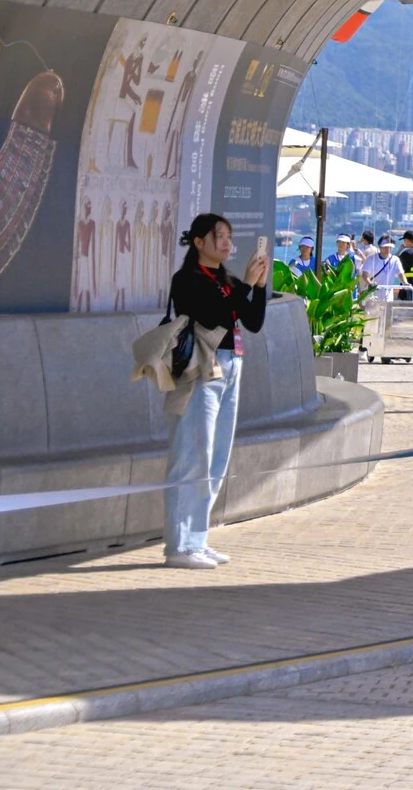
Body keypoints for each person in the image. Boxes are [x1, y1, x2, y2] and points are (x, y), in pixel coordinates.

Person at [161, 213, 272, 568]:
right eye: (218, 236)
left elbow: (251, 321)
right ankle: (179, 546)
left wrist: (258, 285)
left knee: (218, 454)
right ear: (198, 242)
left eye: (229, 237)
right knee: (194, 453)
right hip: (201, 366)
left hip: (231, 363)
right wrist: (244, 289)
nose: (226, 243)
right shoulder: (187, 279)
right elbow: (213, 316)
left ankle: (197, 538)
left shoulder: (228, 279)